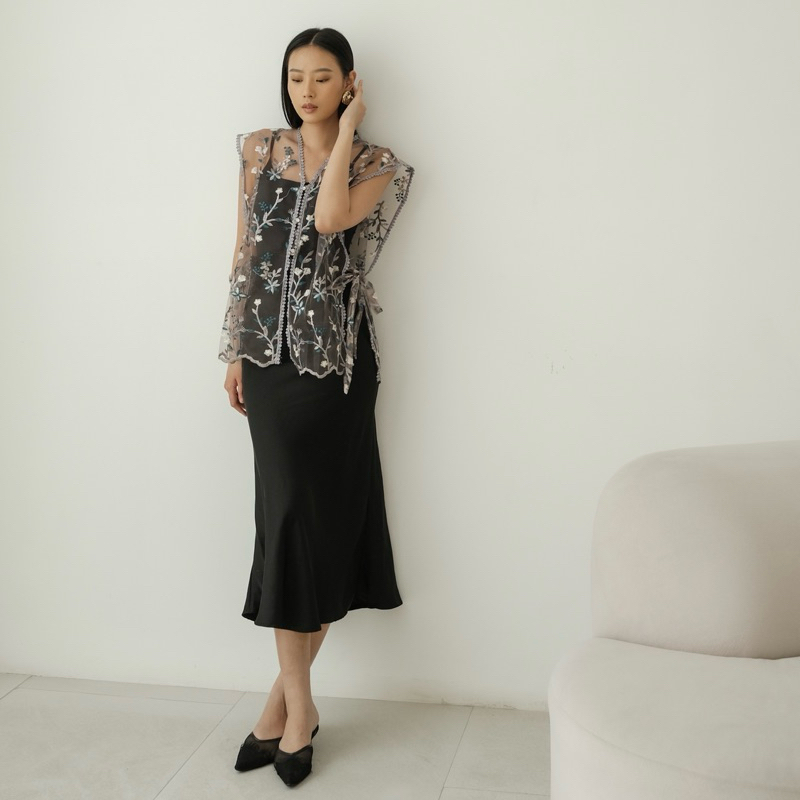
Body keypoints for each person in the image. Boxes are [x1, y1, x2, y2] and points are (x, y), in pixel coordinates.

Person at [217, 27, 414, 787]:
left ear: (348, 82)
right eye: (296, 76)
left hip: (337, 367)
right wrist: (235, 349)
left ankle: (282, 708)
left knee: (322, 528)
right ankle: (298, 708)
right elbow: (246, 255)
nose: (306, 90)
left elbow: (330, 219)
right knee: (287, 521)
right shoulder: (258, 151)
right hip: (269, 364)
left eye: (323, 78)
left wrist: (350, 128)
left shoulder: (374, 163)